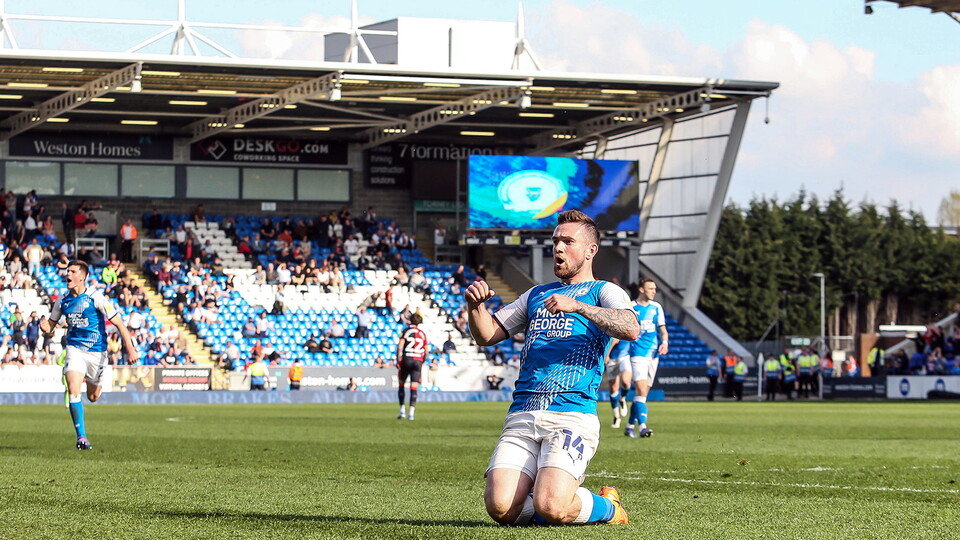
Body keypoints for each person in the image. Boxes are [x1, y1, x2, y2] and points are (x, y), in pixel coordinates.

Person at [465, 210, 635, 527]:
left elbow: (630, 327)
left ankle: (609, 508)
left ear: (590, 250)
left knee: (551, 505)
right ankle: (547, 500)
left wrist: (579, 306)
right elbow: (487, 334)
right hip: (523, 412)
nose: (557, 247)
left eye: (567, 241)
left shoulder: (603, 292)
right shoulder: (536, 294)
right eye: (555, 241)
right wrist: (476, 307)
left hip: (571, 414)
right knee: (500, 509)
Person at [39, 260, 139, 450]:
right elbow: (51, 327)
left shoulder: (95, 297)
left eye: (72, 271)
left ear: (82, 277)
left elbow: (119, 324)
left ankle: (92, 391)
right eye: (67, 270)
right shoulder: (62, 301)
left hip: (97, 352)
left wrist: (131, 349)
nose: (67, 274)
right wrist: (46, 328)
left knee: (93, 397)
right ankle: (82, 437)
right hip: (75, 349)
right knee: (74, 390)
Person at [621, 278, 667, 438]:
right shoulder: (632, 308)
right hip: (637, 355)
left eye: (655, 288)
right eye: (650, 288)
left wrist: (665, 342)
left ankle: (629, 426)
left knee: (642, 395)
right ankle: (643, 427)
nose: (654, 291)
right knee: (640, 390)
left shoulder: (656, 307)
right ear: (642, 289)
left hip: (653, 356)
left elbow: (662, 330)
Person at [396, 313, 428, 420]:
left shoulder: (406, 331)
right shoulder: (422, 334)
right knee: (414, 386)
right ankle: (411, 414)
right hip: (417, 361)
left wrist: (398, 360)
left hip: (407, 359)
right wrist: (422, 361)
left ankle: (402, 411)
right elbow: (426, 351)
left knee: (401, 384)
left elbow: (400, 347)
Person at [604, 338, 630, 428]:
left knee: (626, 382)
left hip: (625, 356)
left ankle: (622, 398)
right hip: (612, 358)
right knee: (613, 388)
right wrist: (606, 355)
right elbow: (613, 340)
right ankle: (616, 416)